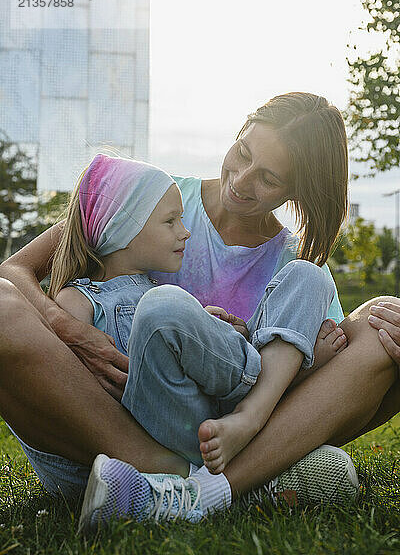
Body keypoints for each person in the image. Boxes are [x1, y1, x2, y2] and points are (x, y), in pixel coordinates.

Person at [0, 92, 399, 525]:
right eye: (243, 152)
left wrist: (248, 339)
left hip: (215, 438)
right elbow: (16, 270)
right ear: (240, 130)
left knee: (383, 326)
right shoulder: (151, 196)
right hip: (96, 432)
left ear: (297, 189)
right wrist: (74, 331)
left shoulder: (294, 264)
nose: (242, 181)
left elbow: (321, 378)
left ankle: (189, 490)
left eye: (268, 178)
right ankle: (203, 481)